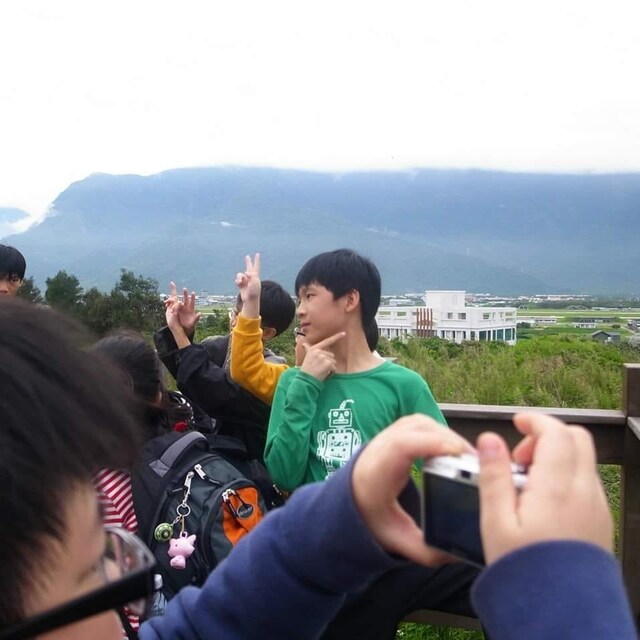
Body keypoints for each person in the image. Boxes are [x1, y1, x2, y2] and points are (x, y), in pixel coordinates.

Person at [0, 299, 634, 640]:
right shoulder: (295, 377)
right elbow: (274, 446)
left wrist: (341, 514)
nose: (131, 589)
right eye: (96, 569)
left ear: (351, 303)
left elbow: (211, 626)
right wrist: (563, 591)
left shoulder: (399, 382)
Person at [155, 280, 294, 461]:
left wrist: (180, 335)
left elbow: (217, 393)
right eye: (234, 313)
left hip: (243, 462)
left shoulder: (270, 371)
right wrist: (182, 332)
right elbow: (188, 377)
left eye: (243, 319)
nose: (234, 322)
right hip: (205, 451)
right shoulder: (215, 346)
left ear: (267, 333)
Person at [230, 254, 382, 406]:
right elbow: (246, 369)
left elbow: (247, 370)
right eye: (299, 301)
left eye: (309, 296)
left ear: (350, 300)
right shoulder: (290, 379)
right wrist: (251, 302)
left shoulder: (393, 384)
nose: (300, 311)